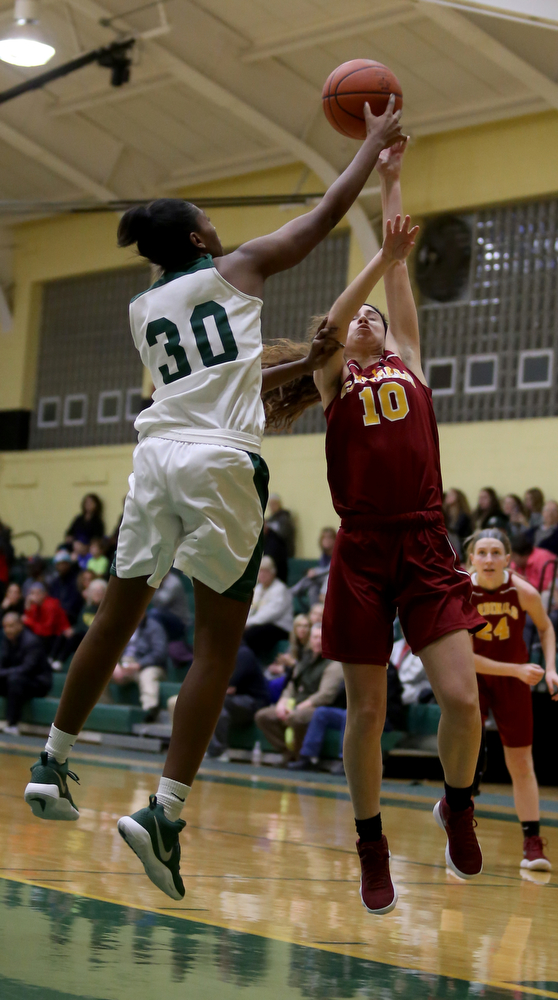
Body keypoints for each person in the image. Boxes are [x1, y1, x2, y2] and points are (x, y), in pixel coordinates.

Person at [23, 97, 406, 904]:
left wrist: (301, 365)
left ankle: (52, 762)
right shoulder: (238, 270)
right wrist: (371, 146)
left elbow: (213, 382)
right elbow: (323, 215)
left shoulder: (143, 309)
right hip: (221, 465)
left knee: (114, 617)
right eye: (208, 220)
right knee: (214, 648)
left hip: (155, 457)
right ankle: (162, 815)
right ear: (201, 237)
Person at [263, 139, 485, 915]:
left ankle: (457, 804)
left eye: (374, 318)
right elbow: (330, 322)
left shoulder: (410, 360)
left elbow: (398, 265)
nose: (365, 319)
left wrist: (392, 179)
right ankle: (371, 843)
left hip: (424, 542)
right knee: (367, 710)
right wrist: (365, 268)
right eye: (356, 317)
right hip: (360, 550)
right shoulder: (332, 377)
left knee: (462, 702)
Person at [468, 528, 558, 869]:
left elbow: (547, 627)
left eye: (495, 553)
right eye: (482, 552)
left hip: (513, 679)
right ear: (471, 559)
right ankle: (460, 833)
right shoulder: (462, 592)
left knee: (521, 763)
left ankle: (532, 844)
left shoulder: (523, 592)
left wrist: (550, 668)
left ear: (508, 559)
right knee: (463, 763)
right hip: (472, 678)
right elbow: (463, 657)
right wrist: (517, 670)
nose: (489, 559)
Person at [255, 623, 343, 757]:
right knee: (263, 716)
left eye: (322, 638)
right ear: (310, 639)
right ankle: (287, 752)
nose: (318, 641)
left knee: (297, 717)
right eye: (315, 637)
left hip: (317, 707)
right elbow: (292, 684)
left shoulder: (334, 663)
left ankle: (301, 755)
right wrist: (282, 703)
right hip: (296, 703)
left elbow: (326, 695)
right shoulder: (305, 658)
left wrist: (300, 707)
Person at [206, 642, 270, 759]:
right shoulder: (223, 654)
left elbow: (229, 688)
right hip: (235, 702)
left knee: (217, 701)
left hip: (253, 703)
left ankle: (219, 751)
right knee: (213, 701)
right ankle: (209, 749)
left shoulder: (243, 653)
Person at [0, 612, 51, 735]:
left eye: (11, 626)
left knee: (15, 680)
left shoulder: (32, 642)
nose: (7, 630)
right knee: (13, 679)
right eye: (5, 626)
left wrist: (3, 673)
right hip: (15, 679)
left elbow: (28, 669)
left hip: (38, 683)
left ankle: (13, 725)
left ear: (20, 625)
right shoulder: (6, 641)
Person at [243, 556, 293, 659]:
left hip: (279, 626)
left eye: (266, 571)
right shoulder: (258, 588)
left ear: (273, 573)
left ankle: (251, 663)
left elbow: (270, 614)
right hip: (260, 623)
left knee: (252, 634)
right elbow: (251, 609)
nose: (262, 575)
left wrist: (248, 623)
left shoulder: (280, 589)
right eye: (260, 571)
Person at [290, 527, 337, 609]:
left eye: (329, 538)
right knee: (313, 588)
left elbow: (331, 570)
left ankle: (291, 592)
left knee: (313, 577)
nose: (327, 540)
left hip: (333, 580)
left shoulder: (337, 552)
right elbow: (322, 568)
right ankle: (314, 613)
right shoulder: (324, 555)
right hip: (321, 581)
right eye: (324, 538)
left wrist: (315, 571)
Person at [22, 583, 72, 659]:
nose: (32, 597)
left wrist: (28, 621)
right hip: (45, 637)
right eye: (31, 593)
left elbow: (46, 631)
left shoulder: (50, 605)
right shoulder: (35, 604)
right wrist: (27, 607)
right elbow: (29, 620)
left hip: (56, 638)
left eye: (36, 593)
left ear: (44, 594)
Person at [48, 550, 84, 625]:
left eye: (64, 564)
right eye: (59, 564)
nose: (61, 567)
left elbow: (75, 602)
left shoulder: (76, 580)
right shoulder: (54, 583)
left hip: (72, 618)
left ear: (68, 564)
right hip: (56, 618)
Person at [443, 489, 472, 561]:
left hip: (460, 549)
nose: (448, 497)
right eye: (447, 495)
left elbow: (460, 534)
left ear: (458, 497)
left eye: (451, 495)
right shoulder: (445, 514)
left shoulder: (463, 516)